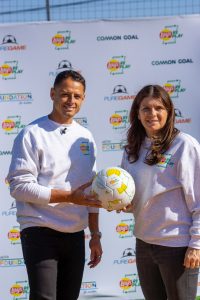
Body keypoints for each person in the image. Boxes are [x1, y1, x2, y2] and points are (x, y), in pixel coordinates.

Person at [7, 70, 103, 300]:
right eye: (65, 94)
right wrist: (69, 197)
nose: (71, 101)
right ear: (52, 94)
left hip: (75, 234)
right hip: (39, 231)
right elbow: (19, 187)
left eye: (77, 96)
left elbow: (90, 191)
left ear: (83, 99)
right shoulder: (32, 133)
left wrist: (96, 235)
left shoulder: (86, 137)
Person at [120, 84, 200, 300]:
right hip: (144, 243)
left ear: (169, 112)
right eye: (145, 108)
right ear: (137, 113)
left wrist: (196, 245)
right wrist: (122, 203)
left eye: (158, 108)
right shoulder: (131, 149)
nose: (152, 114)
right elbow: (137, 195)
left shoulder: (184, 145)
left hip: (177, 246)